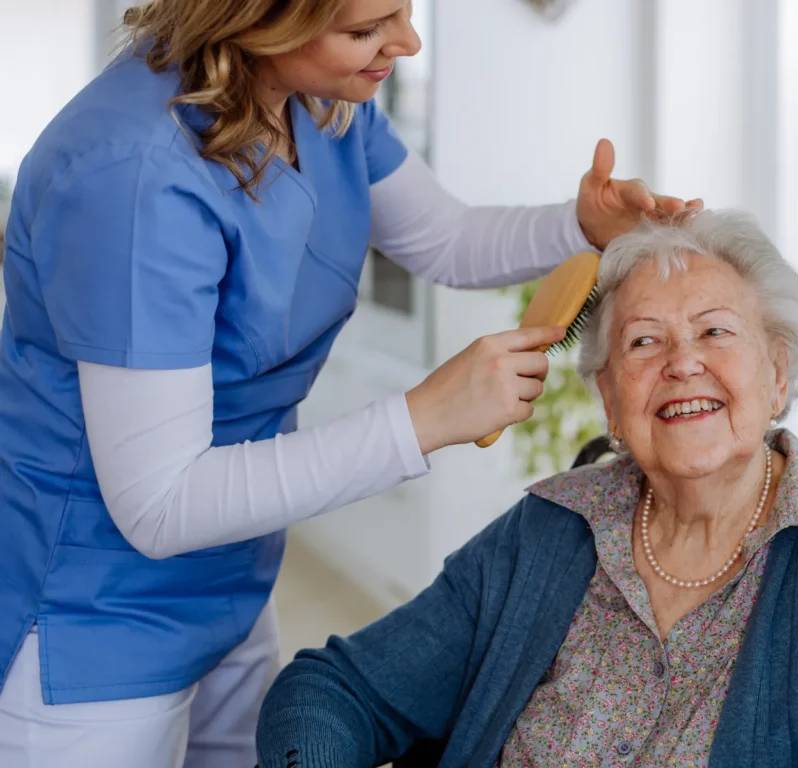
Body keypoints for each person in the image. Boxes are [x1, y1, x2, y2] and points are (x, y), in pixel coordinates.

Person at [0, 1, 696, 766]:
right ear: (259, 21)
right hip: (88, 613)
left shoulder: (316, 101)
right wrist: (424, 418)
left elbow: (446, 239)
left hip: (229, 571)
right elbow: (160, 505)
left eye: (404, 7)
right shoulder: (131, 174)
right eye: (368, 29)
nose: (407, 41)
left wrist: (580, 225)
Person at [255, 210, 798, 768]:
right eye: (644, 342)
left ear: (778, 373)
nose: (684, 362)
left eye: (715, 331)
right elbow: (333, 690)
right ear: (610, 401)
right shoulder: (549, 528)